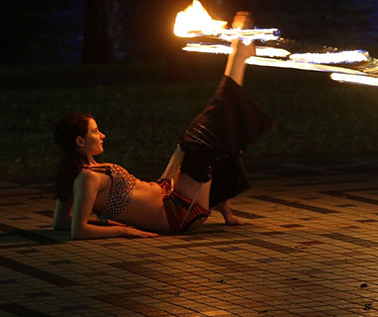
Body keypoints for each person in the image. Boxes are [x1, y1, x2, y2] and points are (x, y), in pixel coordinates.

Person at [52, 25, 272, 239]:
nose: (102, 135)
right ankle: (238, 55)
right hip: (177, 212)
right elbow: (77, 231)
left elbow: (61, 223)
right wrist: (124, 230)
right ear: (80, 141)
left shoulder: (83, 172)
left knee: (197, 138)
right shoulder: (86, 178)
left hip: (170, 193)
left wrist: (105, 221)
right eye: (95, 131)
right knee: (203, 135)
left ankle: (239, 55)